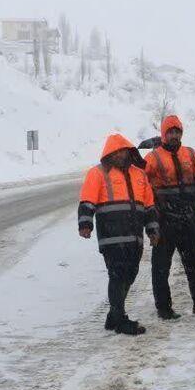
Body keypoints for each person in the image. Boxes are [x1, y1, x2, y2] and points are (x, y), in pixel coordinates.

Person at [78, 134, 160, 335]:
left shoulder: (139, 175)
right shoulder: (97, 173)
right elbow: (87, 201)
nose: (121, 155)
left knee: (130, 275)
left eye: (124, 151)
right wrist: (85, 224)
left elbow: (149, 205)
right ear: (110, 154)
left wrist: (152, 229)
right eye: (117, 152)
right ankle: (121, 320)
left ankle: (113, 316)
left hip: (134, 237)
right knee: (117, 275)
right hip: (111, 237)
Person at [141, 115, 195, 319]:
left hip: (189, 218)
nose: (174, 135)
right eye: (170, 132)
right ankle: (164, 309)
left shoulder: (190, 155)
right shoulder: (152, 158)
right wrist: (151, 216)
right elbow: (143, 188)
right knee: (161, 267)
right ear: (164, 134)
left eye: (177, 132)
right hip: (164, 220)